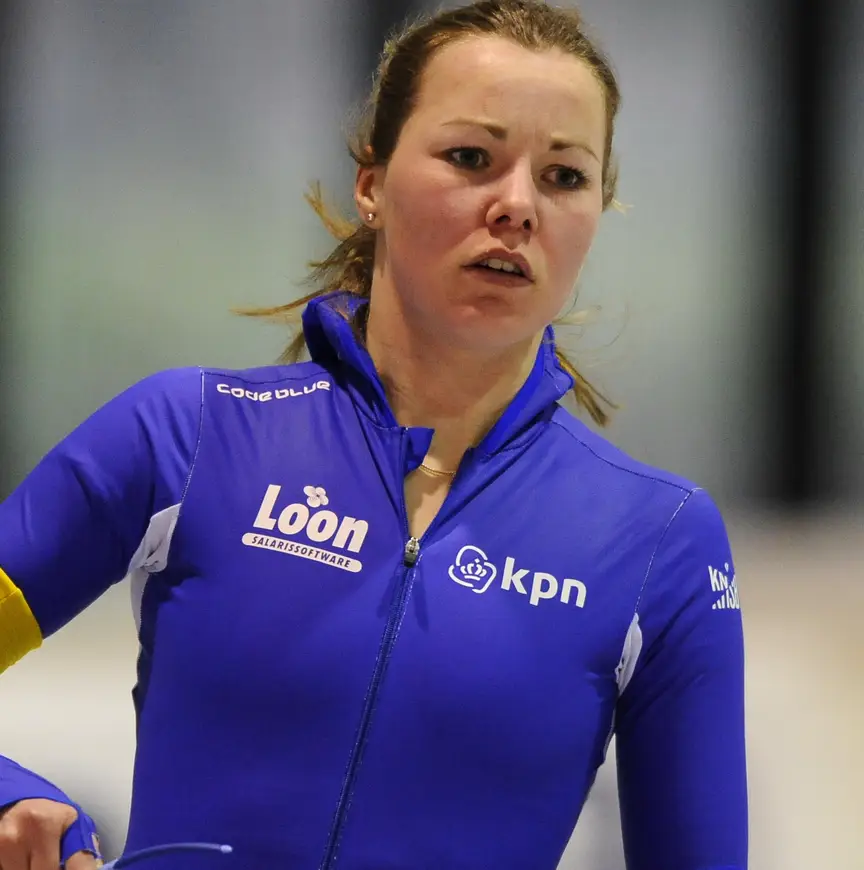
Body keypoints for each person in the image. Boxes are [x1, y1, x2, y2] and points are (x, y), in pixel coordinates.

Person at [0, 1, 748, 868]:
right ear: (372, 186)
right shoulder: (187, 436)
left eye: (564, 176)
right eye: (471, 158)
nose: (517, 206)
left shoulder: (659, 544)